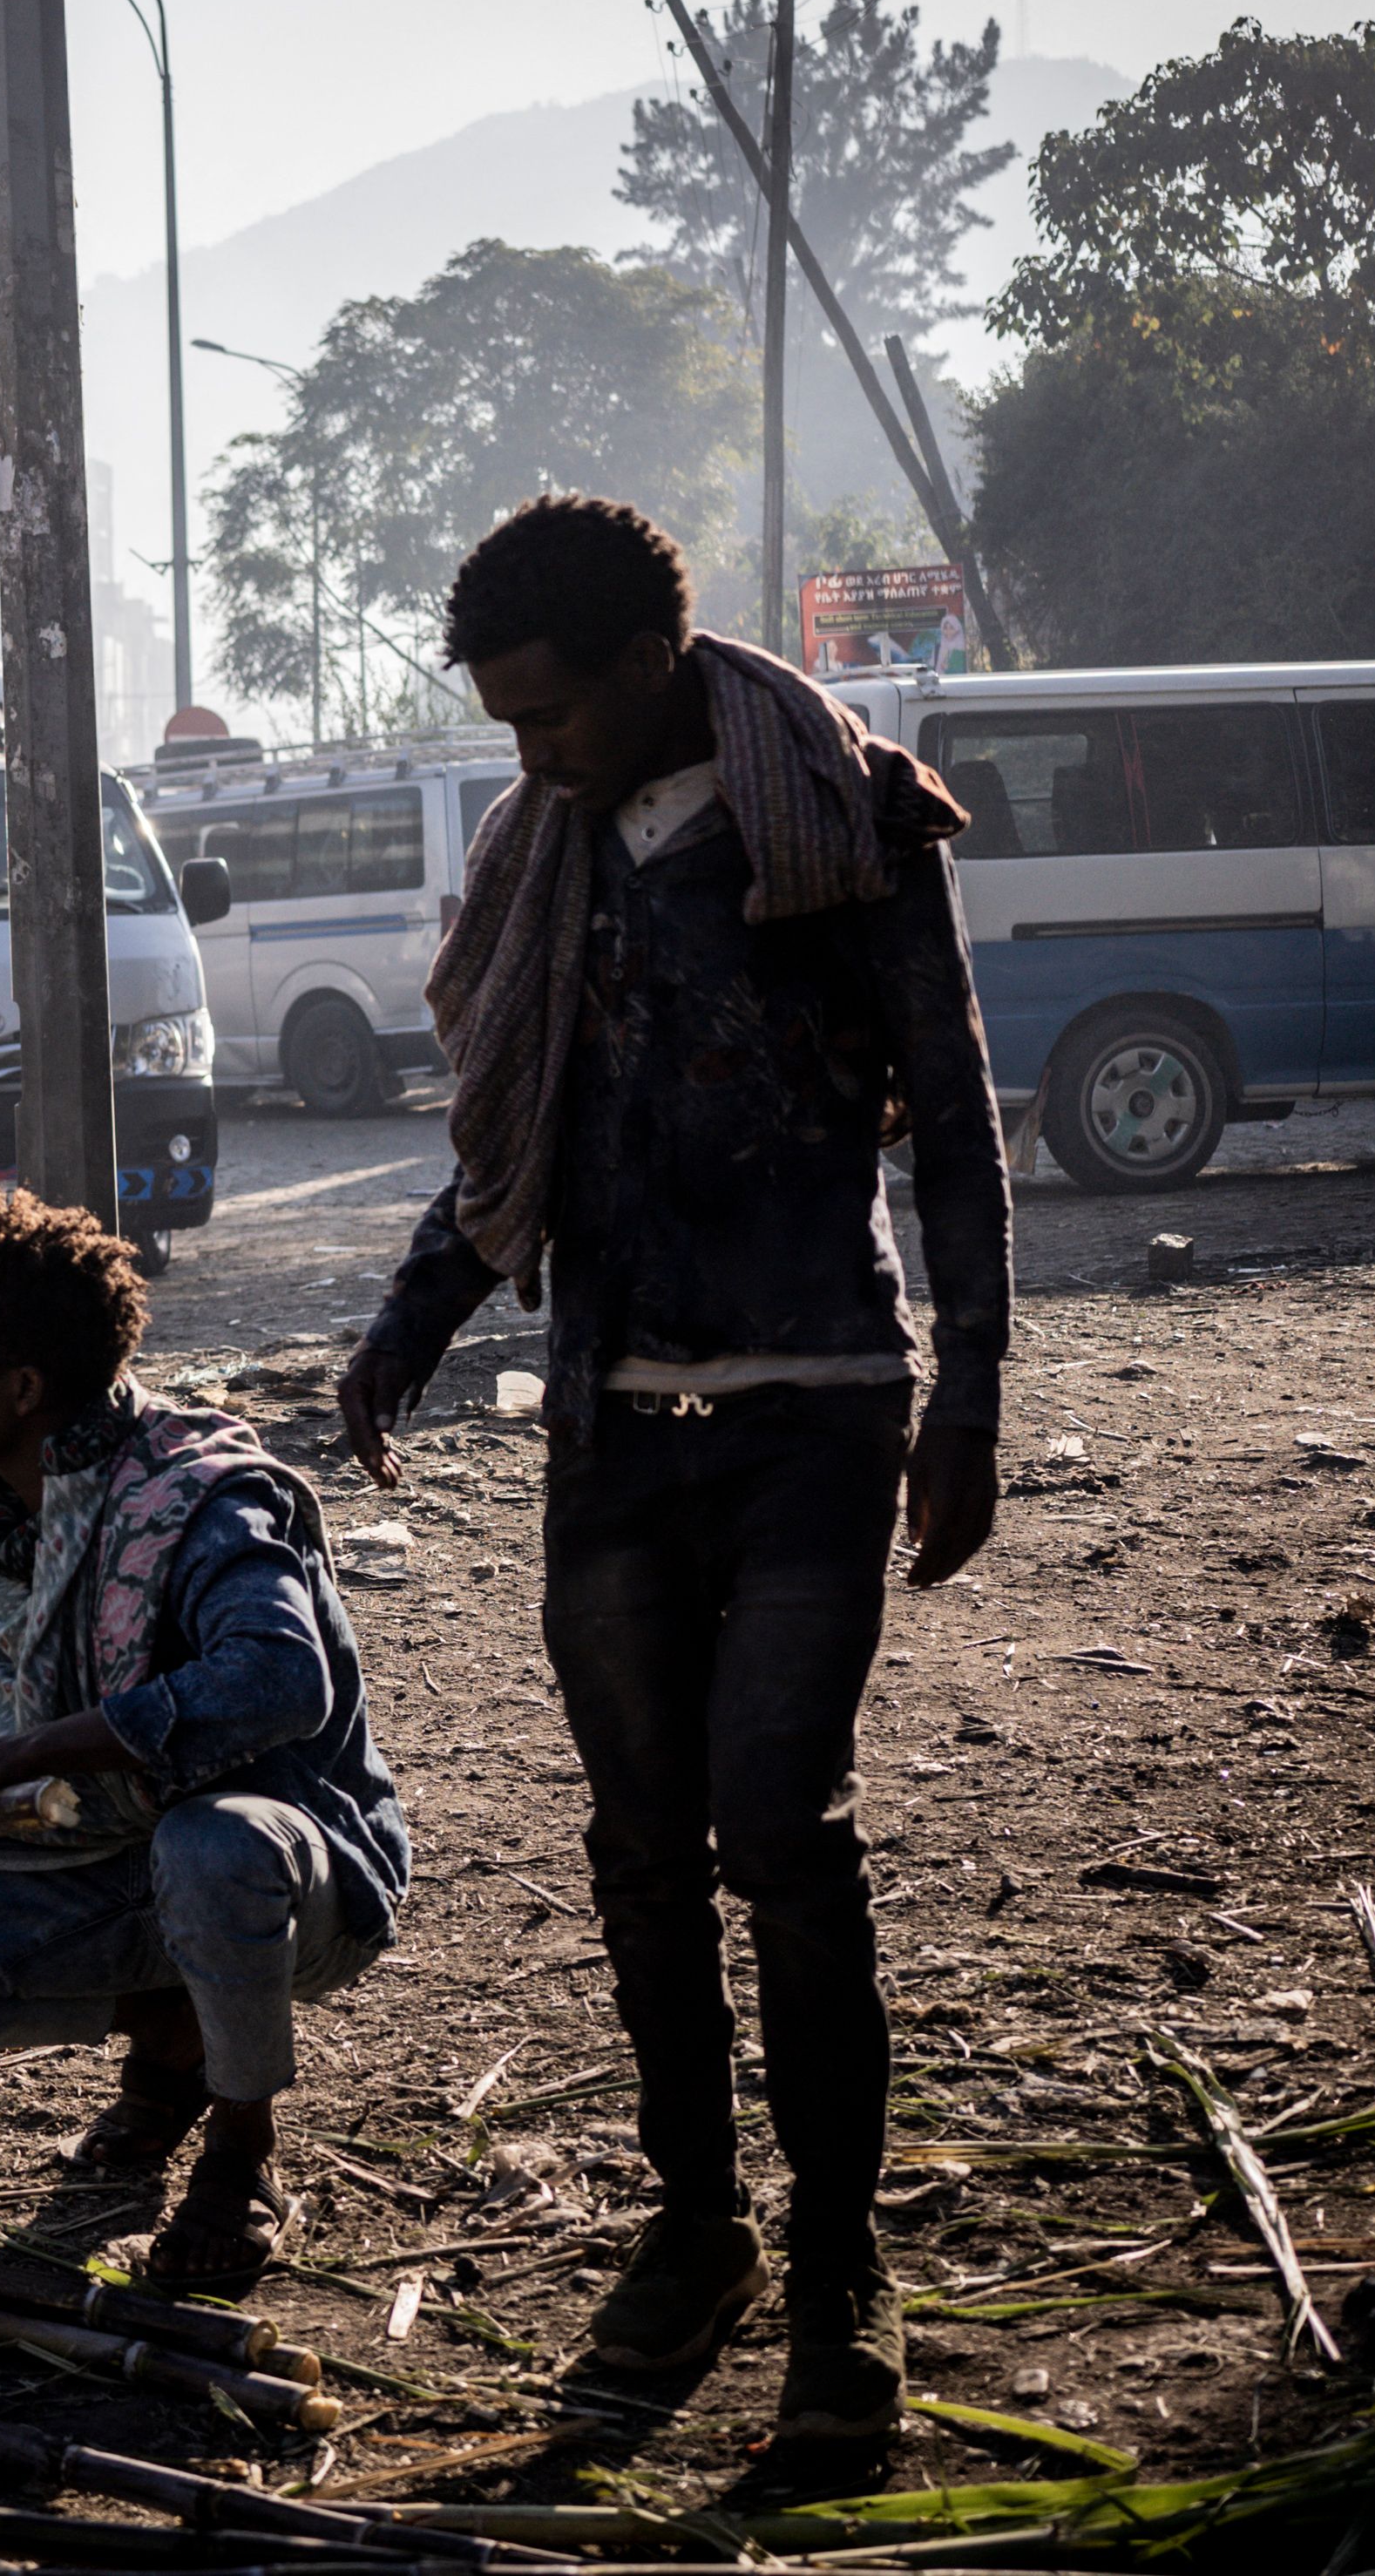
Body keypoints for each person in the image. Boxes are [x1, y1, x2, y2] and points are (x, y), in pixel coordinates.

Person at [335, 494, 1007, 2443]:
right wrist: (405, 1327)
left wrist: (969, 1394)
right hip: (609, 1419)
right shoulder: (545, 852)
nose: (523, 754)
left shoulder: (850, 821)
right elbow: (508, 1151)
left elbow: (953, 1121)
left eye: (544, 715)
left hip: (817, 1402)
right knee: (639, 1853)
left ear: (646, 669)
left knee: (778, 1836)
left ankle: (837, 2272)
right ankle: (697, 2223)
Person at [0, 1190, 408, 2292]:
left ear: (24, 1389)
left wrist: (22, 1755)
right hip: (97, 1856)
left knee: (212, 1848)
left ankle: (242, 2148)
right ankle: (183, 2024)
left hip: (295, 1877)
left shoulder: (199, 1499)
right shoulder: (12, 1505)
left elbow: (282, 1680)